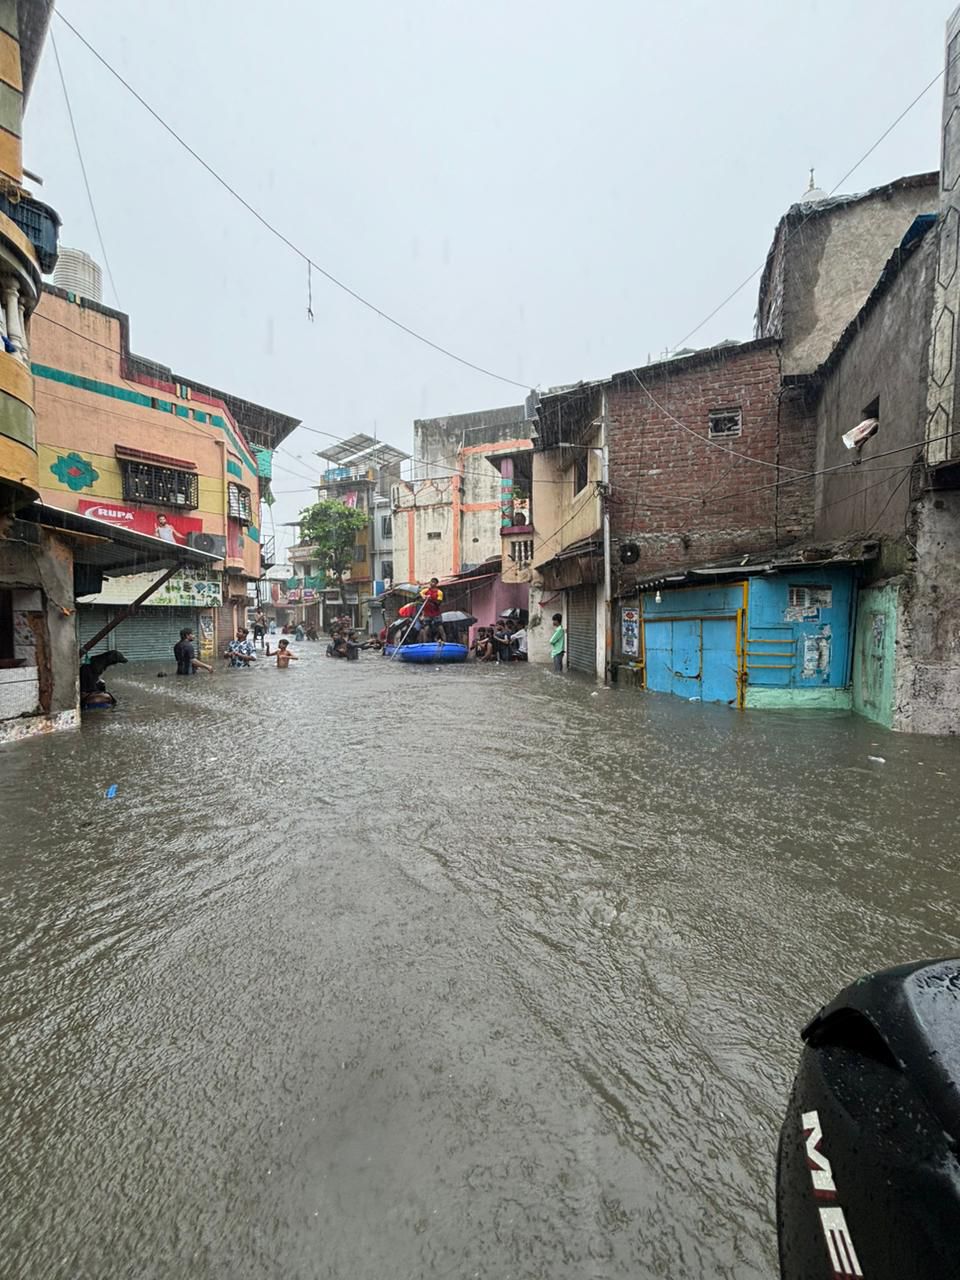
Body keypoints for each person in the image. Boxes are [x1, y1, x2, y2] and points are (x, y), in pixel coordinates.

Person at [418, 578, 445, 643]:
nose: (431, 583)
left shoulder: (439, 592)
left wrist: (430, 599)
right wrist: (424, 596)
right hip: (427, 613)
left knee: (440, 628)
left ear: (436, 584)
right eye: (431, 582)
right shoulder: (426, 590)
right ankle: (425, 643)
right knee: (426, 628)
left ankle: (444, 641)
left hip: (436, 613)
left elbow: (438, 603)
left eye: (433, 582)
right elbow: (421, 593)